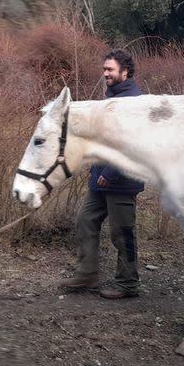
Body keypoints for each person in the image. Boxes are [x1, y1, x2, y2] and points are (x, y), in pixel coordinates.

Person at [60, 49, 145, 299]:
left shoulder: (132, 101)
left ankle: (128, 284)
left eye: (110, 69)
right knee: (85, 220)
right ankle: (87, 274)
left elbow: (131, 144)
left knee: (122, 232)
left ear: (124, 72)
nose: (105, 73)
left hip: (122, 180)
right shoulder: (111, 95)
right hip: (100, 179)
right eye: (104, 69)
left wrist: (109, 172)